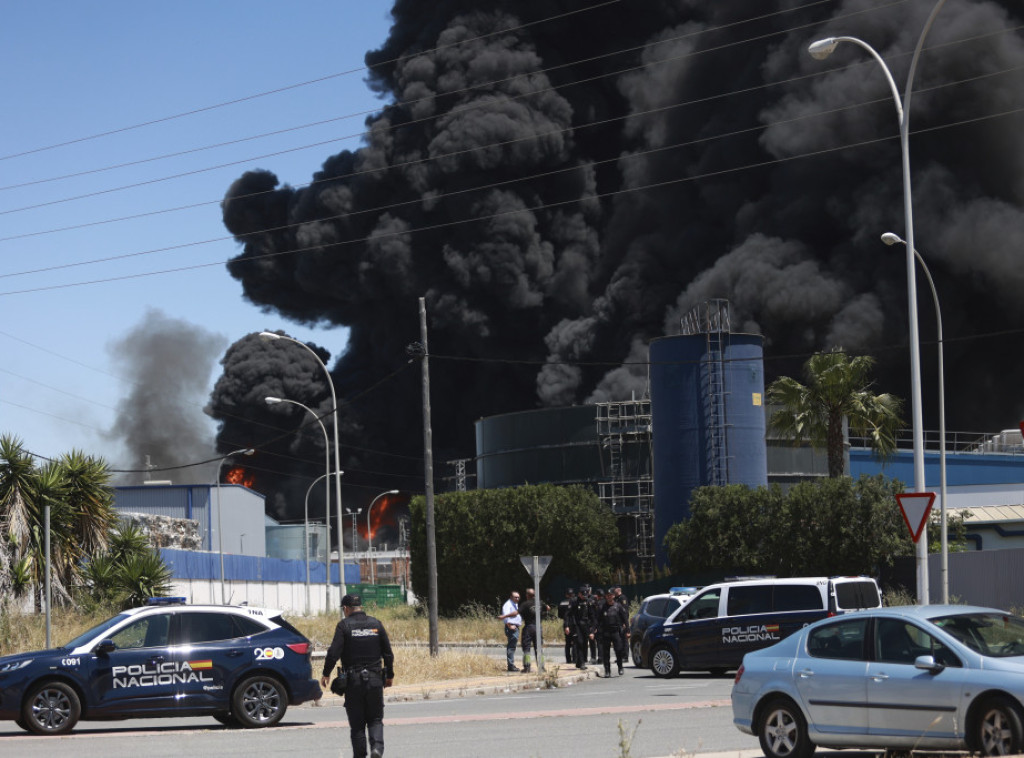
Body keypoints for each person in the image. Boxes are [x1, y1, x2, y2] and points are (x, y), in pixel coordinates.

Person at [321, 594, 395, 758]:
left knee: (357, 725)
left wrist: (326, 673)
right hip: (375, 679)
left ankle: (360, 755)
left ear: (346, 609)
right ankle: (376, 749)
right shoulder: (376, 624)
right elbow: (388, 653)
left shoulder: (344, 626)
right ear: (360, 607)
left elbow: (333, 653)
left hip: (353, 681)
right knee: (375, 719)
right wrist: (389, 675)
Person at [593, 587, 630, 677]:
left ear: (613, 596)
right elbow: (597, 619)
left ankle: (620, 667)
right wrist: (594, 629)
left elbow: (625, 619)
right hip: (605, 632)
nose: (609, 597)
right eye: (607, 595)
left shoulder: (618, 606)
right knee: (606, 653)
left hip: (616, 632)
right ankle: (607, 670)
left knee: (618, 650)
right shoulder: (602, 607)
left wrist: (628, 631)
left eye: (610, 595)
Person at [519, 587, 549, 673]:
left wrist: (505, 616)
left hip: (529, 627)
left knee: (526, 648)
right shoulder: (540, 603)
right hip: (538, 627)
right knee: (539, 648)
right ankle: (541, 667)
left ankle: (527, 667)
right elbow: (548, 608)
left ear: (527, 595)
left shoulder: (525, 604)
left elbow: (518, 612)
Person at [565, 585, 594, 669]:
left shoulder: (589, 602)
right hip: (576, 625)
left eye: (585, 595)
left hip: (586, 625)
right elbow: (567, 614)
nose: (584, 597)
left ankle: (580, 661)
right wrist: (567, 626)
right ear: (579, 594)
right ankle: (581, 663)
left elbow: (592, 616)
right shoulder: (574, 601)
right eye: (582, 595)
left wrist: (593, 627)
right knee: (579, 642)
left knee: (585, 643)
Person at [497, 589, 522, 671]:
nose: (517, 599)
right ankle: (511, 666)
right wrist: (509, 625)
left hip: (515, 627)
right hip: (511, 628)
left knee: (513, 646)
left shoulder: (514, 604)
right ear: (511, 597)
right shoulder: (508, 605)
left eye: (518, 597)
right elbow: (505, 616)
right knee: (511, 647)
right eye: (515, 597)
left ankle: (511, 665)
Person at [557, 587, 576, 664]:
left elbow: (560, 615)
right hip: (574, 623)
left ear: (566, 595)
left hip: (566, 624)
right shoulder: (575, 602)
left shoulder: (562, 603)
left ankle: (568, 660)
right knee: (575, 642)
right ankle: (575, 659)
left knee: (568, 643)